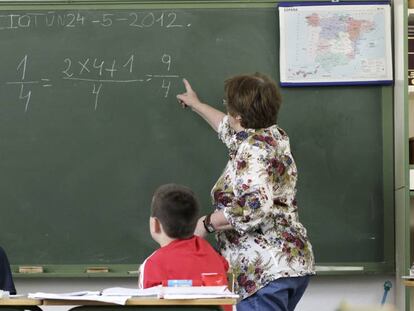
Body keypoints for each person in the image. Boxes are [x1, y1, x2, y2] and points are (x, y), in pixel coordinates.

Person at [176, 73, 315, 311]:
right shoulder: (273, 136)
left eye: (228, 108)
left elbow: (255, 206)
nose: (227, 112)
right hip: (289, 263)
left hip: (263, 272)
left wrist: (208, 222)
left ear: (239, 116)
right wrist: (196, 105)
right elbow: (227, 128)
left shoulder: (253, 150)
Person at [138, 183, 229, 289]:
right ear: (194, 222)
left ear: (155, 224)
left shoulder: (152, 264)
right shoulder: (214, 256)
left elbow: (148, 302)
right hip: (215, 306)